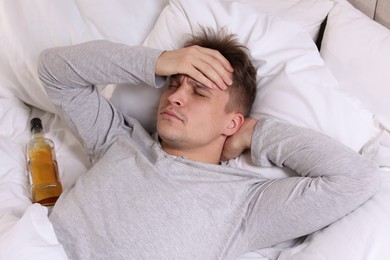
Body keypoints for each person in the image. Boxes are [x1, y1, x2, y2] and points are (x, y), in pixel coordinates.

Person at [38, 28, 378, 259]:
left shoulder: (245, 204)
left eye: (199, 91)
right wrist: (161, 61)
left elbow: (355, 179)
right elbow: (53, 70)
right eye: (172, 85)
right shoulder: (117, 139)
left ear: (232, 122)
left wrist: (255, 133)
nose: (175, 97)